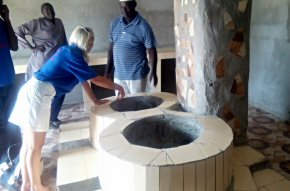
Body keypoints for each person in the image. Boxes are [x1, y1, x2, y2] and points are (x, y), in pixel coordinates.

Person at [9, 26, 125, 191]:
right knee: (35, 146)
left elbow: (83, 79)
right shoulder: (73, 55)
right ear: (82, 41)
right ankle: (36, 186)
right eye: (90, 40)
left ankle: (27, 185)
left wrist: (94, 100)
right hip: (38, 94)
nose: (92, 43)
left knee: (29, 145)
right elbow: (96, 79)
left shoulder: (68, 51)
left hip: (31, 90)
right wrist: (117, 87)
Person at [15, 3, 68, 128]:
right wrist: (31, 47)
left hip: (58, 63)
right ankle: (40, 121)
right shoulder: (36, 23)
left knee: (60, 90)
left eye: (51, 8)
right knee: (43, 93)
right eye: (46, 10)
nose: (49, 11)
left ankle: (53, 117)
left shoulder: (59, 22)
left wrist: (67, 56)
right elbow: (18, 31)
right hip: (42, 63)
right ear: (42, 12)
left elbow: (64, 40)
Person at [105, 0, 158, 95]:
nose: (124, 10)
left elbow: (152, 51)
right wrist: (108, 71)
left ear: (134, 5)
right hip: (119, 76)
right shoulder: (114, 24)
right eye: (121, 7)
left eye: (127, 7)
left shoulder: (143, 26)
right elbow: (111, 50)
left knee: (137, 106)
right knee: (121, 106)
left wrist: (153, 72)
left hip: (136, 76)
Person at [0, 0, 18, 130]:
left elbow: (14, 46)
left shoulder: (2, 24)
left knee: (10, 122)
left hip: (8, 80)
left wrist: (7, 20)